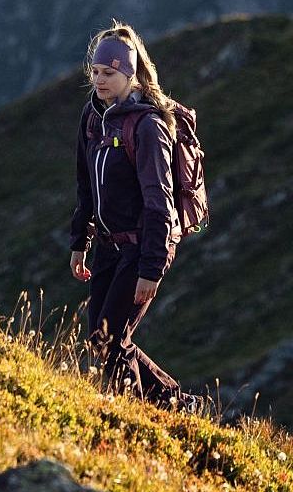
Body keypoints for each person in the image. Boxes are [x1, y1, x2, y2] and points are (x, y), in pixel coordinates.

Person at [65, 23, 197, 411]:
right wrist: (79, 243)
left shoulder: (148, 125)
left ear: (129, 74)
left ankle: (136, 416)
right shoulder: (93, 119)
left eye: (109, 74)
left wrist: (151, 269)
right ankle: (175, 404)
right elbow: (85, 184)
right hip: (107, 247)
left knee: (111, 342)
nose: (100, 81)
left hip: (142, 248)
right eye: (95, 72)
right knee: (103, 340)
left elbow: (160, 201)